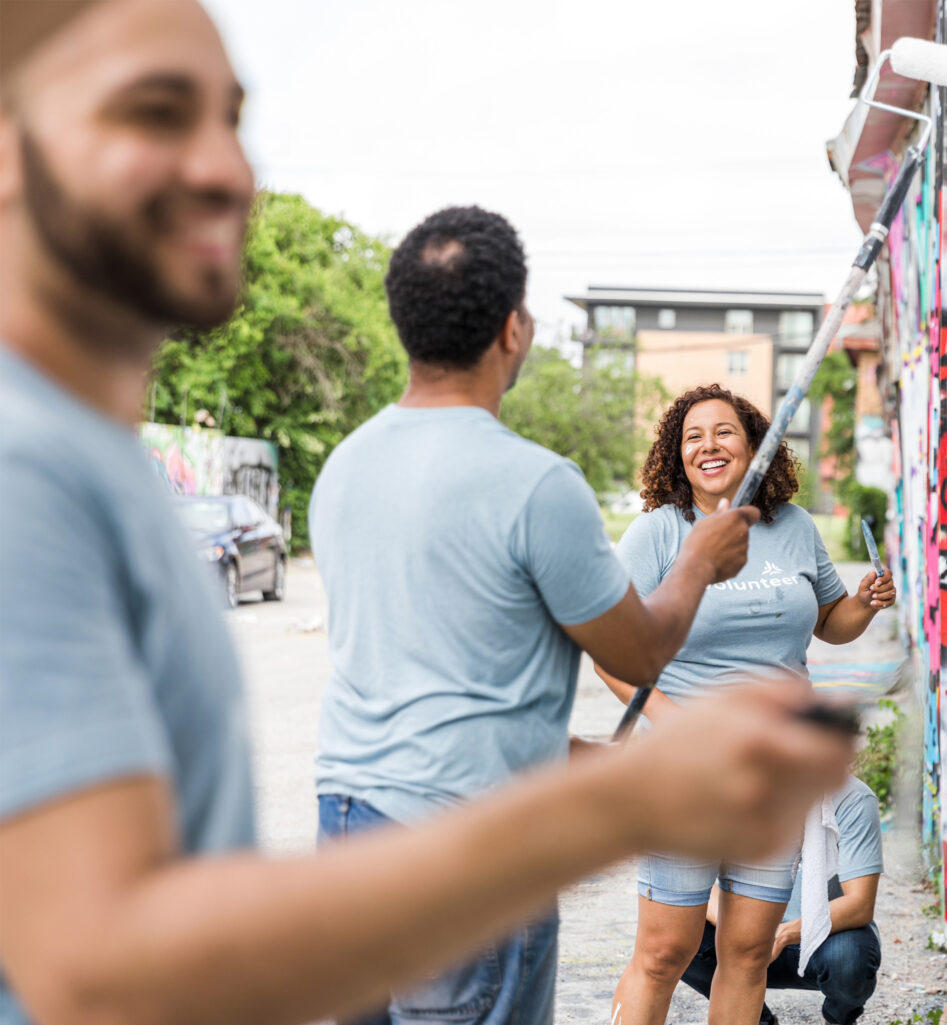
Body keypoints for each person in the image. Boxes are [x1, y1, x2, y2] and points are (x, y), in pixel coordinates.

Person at [0, 4, 854, 1025]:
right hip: (453, 865)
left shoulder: (270, 466)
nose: (229, 168)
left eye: (232, 117)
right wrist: (621, 800)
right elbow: (95, 966)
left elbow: (447, 696)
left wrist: (600, 767)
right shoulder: (27, 470)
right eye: (155, 111)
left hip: (357, 831)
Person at [309, 205, 770, 1023]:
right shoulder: (534, 482)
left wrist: (559, 752)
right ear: (514, 329)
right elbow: (639, 650)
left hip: (349, 828)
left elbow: (423, 669)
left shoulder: (345, 467)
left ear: (402, 325)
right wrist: (697, 561)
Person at [602, 384, 896, 1025]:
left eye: (724, 432)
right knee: (663, 952)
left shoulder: (793, 527)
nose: (708, 446)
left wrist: (866, 602)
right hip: (686, 773)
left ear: (755, 445)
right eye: (692, 437)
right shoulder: (657, 534)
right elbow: (610, 649)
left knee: (747, 950)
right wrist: (672, 721)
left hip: (775, 771)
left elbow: (829, 622)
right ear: (676, 456)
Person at [681, 774, 883, 1025]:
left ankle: (838, 1018)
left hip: (825, 938)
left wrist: (782, 933)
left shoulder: (854, 798)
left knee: (849, 958)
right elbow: (701, 889)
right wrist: (747, 931)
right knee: (677, 934)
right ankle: (757, 1019)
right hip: (751, 934)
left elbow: (860, 904)